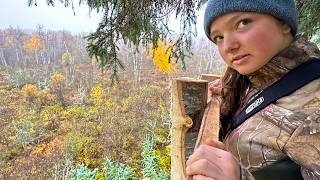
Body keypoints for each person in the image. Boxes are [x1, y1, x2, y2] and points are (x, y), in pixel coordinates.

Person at [185, 0, 320, 179]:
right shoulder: (253, 80)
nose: (228, 46)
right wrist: (227, 89)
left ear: (284, 23)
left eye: (243, 23)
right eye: (219, 37)